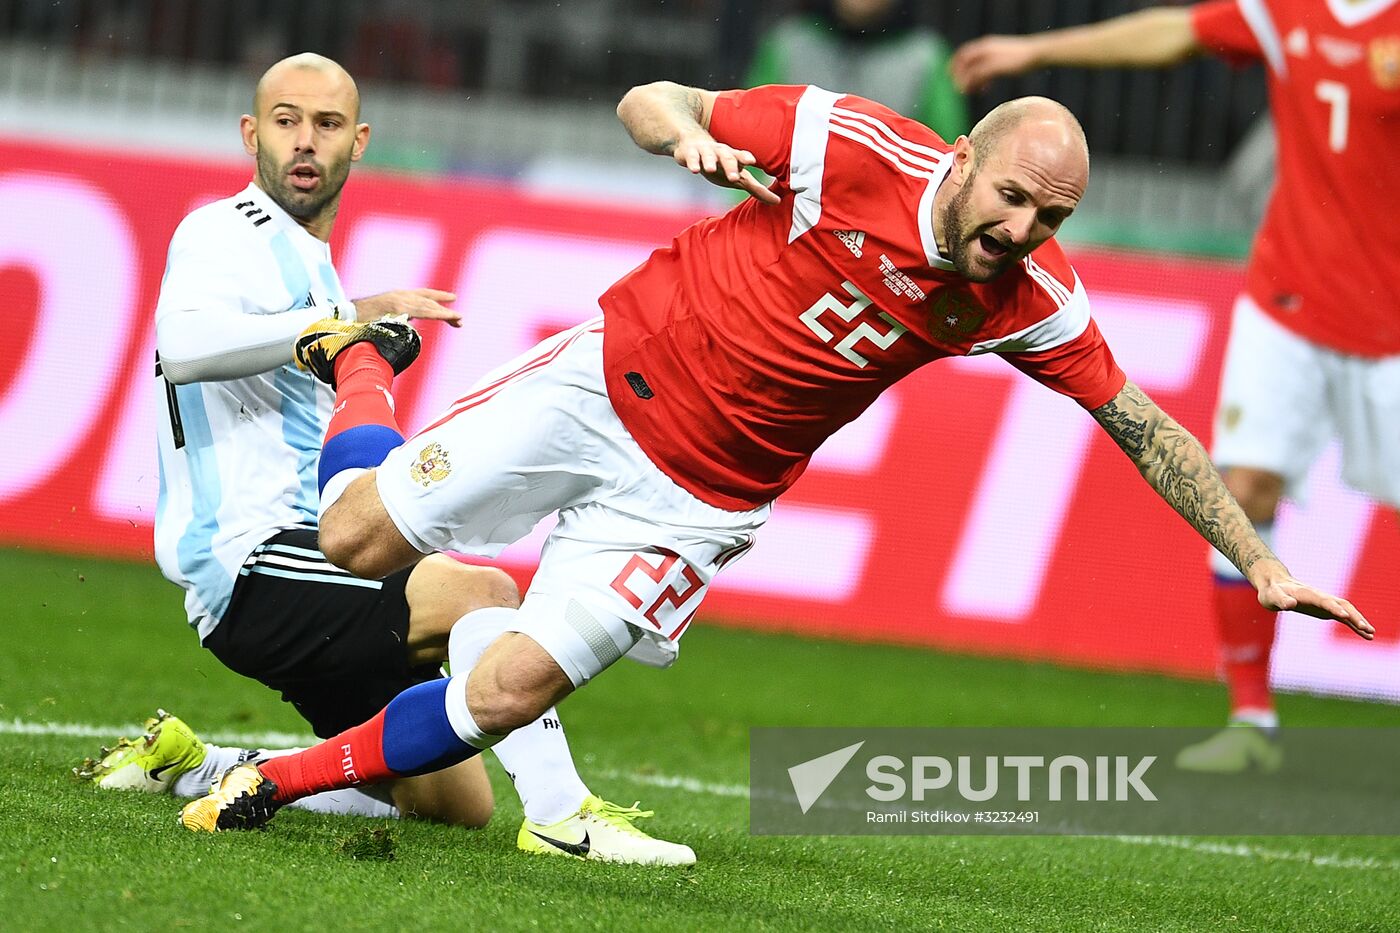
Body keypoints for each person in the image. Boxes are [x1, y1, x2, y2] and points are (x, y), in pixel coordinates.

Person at [175, 78, 1373, 835]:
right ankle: (361, 362)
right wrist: (685, 140)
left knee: (504, 695)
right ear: (962, 157)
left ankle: (270, 783)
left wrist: (1258, 562)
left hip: (694, 505)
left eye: (1048, 219)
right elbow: (649, 98)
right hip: (602, 384)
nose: (1019, 232)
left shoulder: (1028, 298)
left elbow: (1142, 425)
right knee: (353, 540)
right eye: (1010, 197)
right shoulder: (846, 144)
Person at [79, 52, 693, 865]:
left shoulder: (306, 259)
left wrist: (353, 311)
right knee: (481, 590)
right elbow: (185, 345)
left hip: (312, 565)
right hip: (253, 558)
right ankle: (562, 816)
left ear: (358, 140)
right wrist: (333, 330)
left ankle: (203, 766)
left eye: (326, 123)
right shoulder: (226, 228)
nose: (305, 140)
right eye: (286, 121)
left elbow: (283, 329)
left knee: (449, 802)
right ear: (250, 134)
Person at [950, 0, 1400, 772]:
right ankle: (1252, 720)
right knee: (1243, 489)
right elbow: (1173, 34)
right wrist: (1035, 51)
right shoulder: (1284, 11)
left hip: (1390, 323)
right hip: (1286, 302)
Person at [746, 0, 967, 141]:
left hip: (886, 200)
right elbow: (748, 140)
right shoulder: (788, 44)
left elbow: (946, 160)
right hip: (781, 198)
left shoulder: (926, 57)